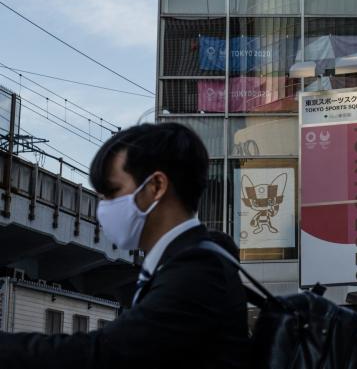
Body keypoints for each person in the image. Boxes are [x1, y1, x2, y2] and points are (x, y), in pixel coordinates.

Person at [0, 122, 250, 368]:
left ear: (156, 187)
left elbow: (106, 354)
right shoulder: (191, 261)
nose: (103, 207)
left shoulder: (196, 271)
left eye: (112, 192)